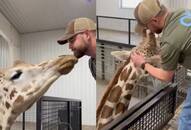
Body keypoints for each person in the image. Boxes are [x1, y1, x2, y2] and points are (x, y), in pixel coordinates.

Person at [131, 0, 191, 129]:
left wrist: (143, 64)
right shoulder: (181, 12)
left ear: (154, 20)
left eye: (146, 26)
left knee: (187, 117)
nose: (148, 30)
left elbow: (166, 76)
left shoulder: (169, 41)